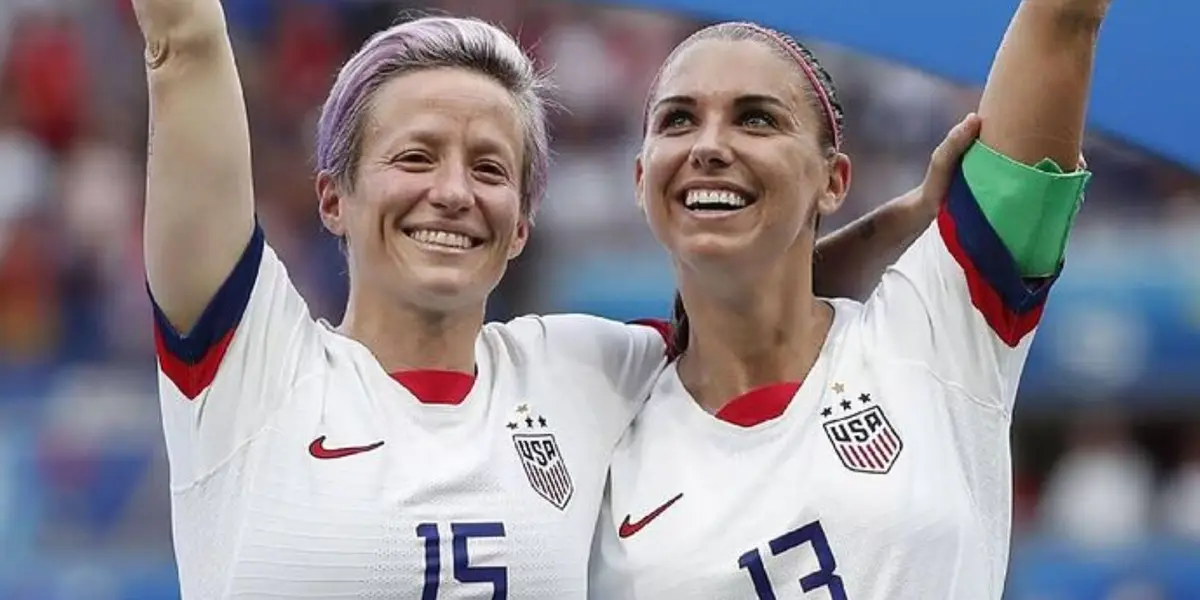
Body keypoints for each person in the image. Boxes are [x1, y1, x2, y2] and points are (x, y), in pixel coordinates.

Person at [132, 0, 975, 597]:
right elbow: (187, 47)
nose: (453, 193)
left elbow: (756, 304)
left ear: (522, 226)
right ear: (333, 199)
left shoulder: (581, 369)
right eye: (416, 157)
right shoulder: (253, 364)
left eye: (490, 169)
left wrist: (902, 227)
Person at [592, 2, 1103, 598]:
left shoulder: (939, 332)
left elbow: (1064, 18)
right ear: (639, 178)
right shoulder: (595, 408)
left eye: (756, 119)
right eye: (678, 120)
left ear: (833, 181)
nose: (708, 146)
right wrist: (888, 224)